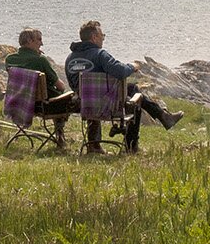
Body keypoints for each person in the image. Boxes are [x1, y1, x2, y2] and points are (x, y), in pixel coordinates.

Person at [65, 20, 184, 152]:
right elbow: (121, 71)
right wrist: (132, 66)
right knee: (135, 95)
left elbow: (72, 84)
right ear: (94, 37)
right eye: (102, 35)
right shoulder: (100, 55)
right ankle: (132, 144)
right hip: (107, 105)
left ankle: (94, 145)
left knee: (127, 90)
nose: (103, 39)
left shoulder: (70, 59)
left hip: (84, 104)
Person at [4, 27, 74, 114]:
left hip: (19, 102)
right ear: (30, 41)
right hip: (43, 106)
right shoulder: (40, 60)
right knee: (70, 97)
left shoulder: (10, 59)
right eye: (39, 39)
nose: (42, 43)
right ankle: (59, 126)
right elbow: (61, 86)